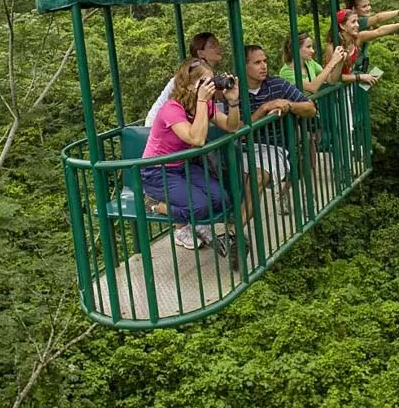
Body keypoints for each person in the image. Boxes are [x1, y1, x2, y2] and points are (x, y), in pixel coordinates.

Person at [141, 57, 242, 249]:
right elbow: (196, 139)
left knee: (221, 199)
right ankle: (156, 204)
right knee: (200, 206)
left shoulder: (204, 104)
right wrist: (202, 101)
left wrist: (233, 101)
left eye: (211, 81)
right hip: (157, 171)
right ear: (188, 86)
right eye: (204, 82)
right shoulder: (172, 108)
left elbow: (232, 126)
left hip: (182, 165)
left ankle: (196, 222)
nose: (210, 87)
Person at [242, 45, 317, 211]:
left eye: (265, 61)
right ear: (244, 65)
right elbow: (238, 132)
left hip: (275, 147)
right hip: (246, 149)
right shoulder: (235, 92)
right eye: (257, 62)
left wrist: (288, 105)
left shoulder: (277, 84)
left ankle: (233, 232)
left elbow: (311, 108)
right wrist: (264, 109)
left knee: (259, 178)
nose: (264, 66)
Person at [145, 32, 224, 127]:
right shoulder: (189, 76)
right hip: (159, 124)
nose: (218, 48)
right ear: (201, 53)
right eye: (213, 45)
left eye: (217, 44)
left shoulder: (207, 74)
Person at [335, 7, 399, 88]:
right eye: (353, 22)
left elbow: (379, 31)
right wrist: (359, 77)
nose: (357, 25)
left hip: (348, 89)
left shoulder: (358, 38)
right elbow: (333, 77)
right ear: (342, 26)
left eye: (357, 21)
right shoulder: (333, 47)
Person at [345, 0, 399, 75]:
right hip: (352, 71)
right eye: (364, 6)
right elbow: (378, 19)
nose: (369, 8)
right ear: (354, 9)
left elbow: (378, 30)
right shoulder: (357, 21)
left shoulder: (359, 24)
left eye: (369, 5)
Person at [280, 32, 346, 94]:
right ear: (296, 48)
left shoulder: (310, 63)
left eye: (312, 47)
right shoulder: (286, 72)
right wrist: (332, 61)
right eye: (308, 47)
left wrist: (340, 62)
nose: (313, 51)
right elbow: (312, 88)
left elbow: (331, 80)